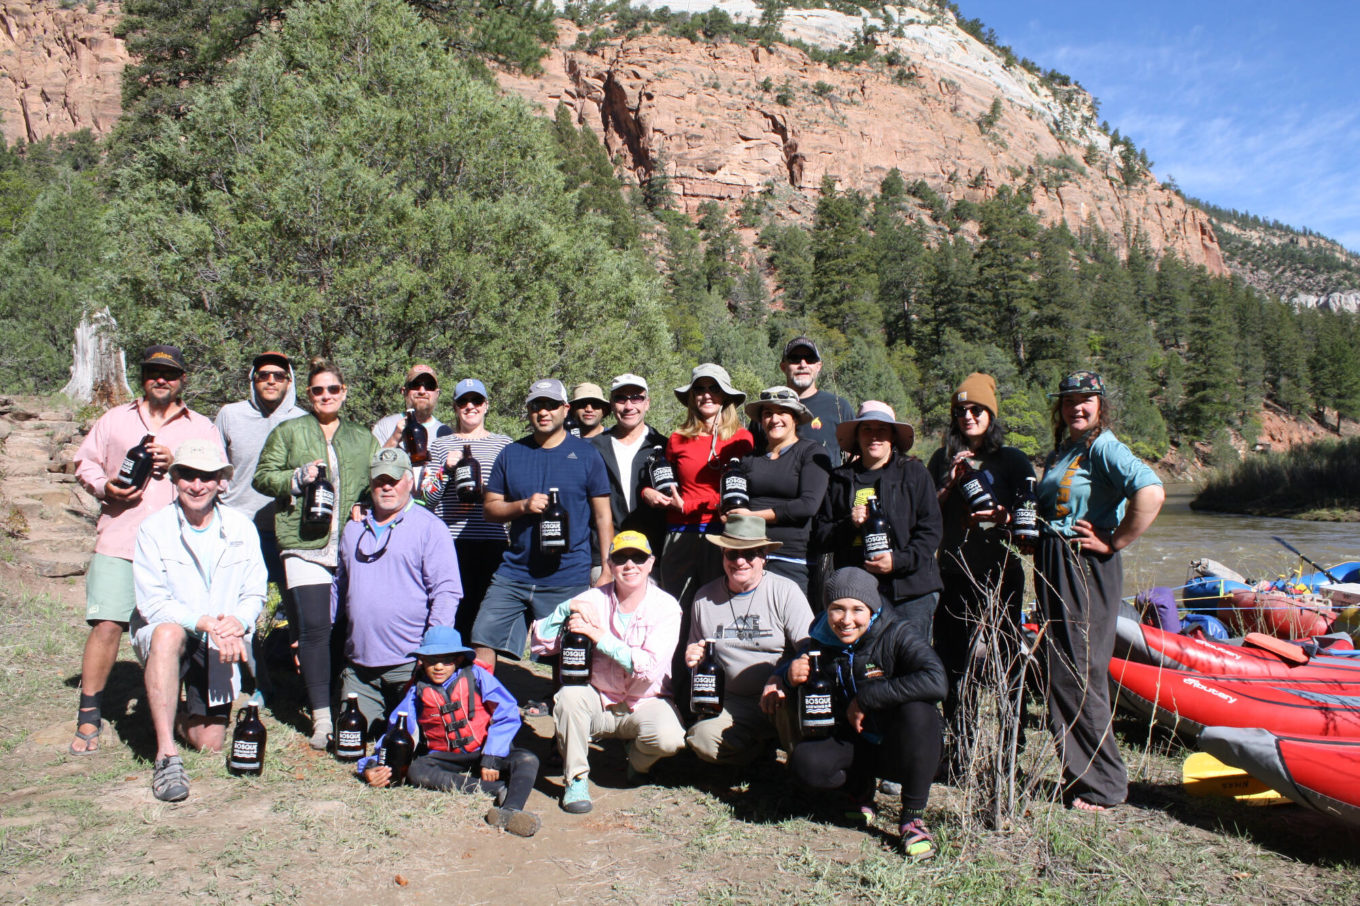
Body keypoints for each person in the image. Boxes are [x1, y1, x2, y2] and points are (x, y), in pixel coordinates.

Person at [70, 345, 222, 756]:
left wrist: (179, 464)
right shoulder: (114, 419)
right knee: (107, 624)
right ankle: (89, 714)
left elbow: (220, 480)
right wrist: (105, 487)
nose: (161, 379)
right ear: (143, 376)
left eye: (169, 374)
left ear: (182, 380)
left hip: (178, 545)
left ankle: (176, 710)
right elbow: (85, 463)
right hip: (121, 536)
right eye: (154, 372)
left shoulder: (201, 427)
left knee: (176, 630)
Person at [1034, 371, 1164, 811]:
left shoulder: (1104, 446)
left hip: (1084, 566)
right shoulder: (1067, 449)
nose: (1077, 407)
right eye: (1069, 400)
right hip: (1057, 561)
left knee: (1080, 671)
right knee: (1063, 668)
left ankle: (1103, 786)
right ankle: (1083, 774)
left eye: (1086, 399)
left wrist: (1116, 541)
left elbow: (1151, 491)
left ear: (1100, 405)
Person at [776, 567, 947, 862]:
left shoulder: (897, 632)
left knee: (920, 711)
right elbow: (799, 682)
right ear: (826, 610)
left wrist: (867, 698)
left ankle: (912, 819)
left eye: (857, 609)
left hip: (902, 745)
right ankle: (860, 790)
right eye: (837, 609)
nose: (846, 620)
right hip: (856, 742)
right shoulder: (819, 640)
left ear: (873, 609)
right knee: (807, 764)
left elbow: (936, 680)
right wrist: (788, 679)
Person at [131, 440, 267, 802]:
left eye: (206, 477)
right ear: (174, 478)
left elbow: (255, 592)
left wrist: (238, 621)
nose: (197, 485)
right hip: (175, 631)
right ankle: (166, 755)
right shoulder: (154, 528)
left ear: (220, 481)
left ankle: (168, 711)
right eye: (188, 476)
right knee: (167, 633)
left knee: (210, 742)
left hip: (218, 639)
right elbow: (152, 603)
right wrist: (203, 622)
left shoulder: (240, 527)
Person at [254, 358, 378, 749]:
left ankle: (346, 703)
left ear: (344, 393)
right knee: (313, 629)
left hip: (350, 544)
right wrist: (295, 478)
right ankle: (321, 718)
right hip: (302, 543)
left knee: (346, 626)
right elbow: (262, 476)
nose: (326, 396)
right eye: (318, 390)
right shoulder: (289, 432)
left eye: (333, 389)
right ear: (308, 394)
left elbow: (377, 480)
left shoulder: (361, 437)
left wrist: (365, 504)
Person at [926, 373, 1036, 777]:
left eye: (976, 409)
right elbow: (925, 515)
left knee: (1007, 662)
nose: (968, 416)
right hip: (953, 573)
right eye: (961, 411)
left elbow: (1030, 516)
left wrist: (1005, 516)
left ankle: (1010, 752)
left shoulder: (1012, 461)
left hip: (1001, 573)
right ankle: (959, 748)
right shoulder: (941, 460)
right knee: (952, 664)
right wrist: (949, 483)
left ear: (991, 414)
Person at [530, 531, 685, 814]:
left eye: (638, 558)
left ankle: (638, 764)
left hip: (644, 701)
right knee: (569, 697)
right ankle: (576, 780)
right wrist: (565, 609)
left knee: (669, 738)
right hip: (598, 700)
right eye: (621, 558)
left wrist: (601, 638)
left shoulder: (667, 608)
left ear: (651, 563)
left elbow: (648, 670)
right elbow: (541, 642)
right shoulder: (591, 599)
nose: (630, 565)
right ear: (610, 565)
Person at [471, 378, 614, 684]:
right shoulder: (511, 453)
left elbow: (603, 517)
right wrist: (522, 506)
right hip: (515, 571)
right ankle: (482, 707)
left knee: (569, 652)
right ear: (528, 410)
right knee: (482, 637)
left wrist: (606, 568)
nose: (544, 412)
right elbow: (490, 509)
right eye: (537, 406)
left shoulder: (586, 455)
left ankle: (563, 709)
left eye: (551, 405)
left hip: (568, 575)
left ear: (565, 409)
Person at [358, 626, 541, 837]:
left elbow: (507, 712)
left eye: (446, 660)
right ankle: (497, 788)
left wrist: (492, 756)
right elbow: (396, 732)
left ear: (459, 659)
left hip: (484, 750)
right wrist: (372, 765)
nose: (438, 667)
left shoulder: (477, 676)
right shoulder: (416, 690)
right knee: (416, 771)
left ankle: (511, 810)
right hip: (446, 757)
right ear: (421, 661)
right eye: (431, 660)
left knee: (527, 759)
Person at [333, 448, 462, 733]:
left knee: (411, 743)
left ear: (409, 481)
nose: (387, 487)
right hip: (359, 668)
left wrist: (432, 653)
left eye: (394, 480)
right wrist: (313, 636)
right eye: (380, 480)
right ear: (371, 483)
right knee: (354, 740)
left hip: (410, 665)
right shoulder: (353, 528)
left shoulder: (431, 528)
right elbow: (339, 588)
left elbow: (446, 592)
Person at [682, 515, 813, 768]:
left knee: (794, 709)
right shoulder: (703, 598)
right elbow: (697, 658)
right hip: (733, 703)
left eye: (750, 554)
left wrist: (782, 677)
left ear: (764, 556)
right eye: (732, 554)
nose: (740, 561)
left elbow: (810, 648)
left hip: (780, 696)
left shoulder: (785, 591)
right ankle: (758, 757)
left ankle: (799, 767)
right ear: (723, 555)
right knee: (702, 739)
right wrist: (693, 660)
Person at [214, 351, 307, 693]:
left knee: (297, 607)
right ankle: (252, 683)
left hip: (286, 528)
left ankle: (304, 683)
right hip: (236, 528)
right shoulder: (230, 415)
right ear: (252, 379)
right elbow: (215, 467)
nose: (270, 380)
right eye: (263, 374)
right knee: (238, 608)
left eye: (278, 375)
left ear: (289, 381)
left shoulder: (303, 419)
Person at [814, 402, 942, 639]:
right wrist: (849, 524)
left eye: (882, 429)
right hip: (856, 597)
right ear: (857, 435)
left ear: (893, 436)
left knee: (910, 658)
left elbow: (931, 530)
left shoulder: (913, 473)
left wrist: (898, 561)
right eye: (867, 429)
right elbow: (820, 536)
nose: (874, 436)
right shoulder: (840, 479)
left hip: (910, 592)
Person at [643, 363, 753, 605]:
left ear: (725, 395)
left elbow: (741, 493)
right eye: (700, 389)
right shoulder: (677, 438)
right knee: (675, 607)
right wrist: (647, 492)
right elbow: (665, 481)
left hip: (721, 535)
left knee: (719, 607)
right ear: (692, 397)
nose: (706, 395)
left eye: (714, 388)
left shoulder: (741, 438)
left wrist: (689, 505)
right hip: (679, 534)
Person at [420, 378, 512, 640]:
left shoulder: (504, 445)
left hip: (492, 539)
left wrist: (487, 491)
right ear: (455, 407)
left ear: (486, 405)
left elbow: (514, 494)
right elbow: (426, 498)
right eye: (463, 402)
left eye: (476, 401)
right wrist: (446, 470)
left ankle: (481, 666)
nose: (470, 406)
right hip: (449, 542)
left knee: (485, 620)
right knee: (453, 613)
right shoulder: (440, 445)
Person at [728, 386, 831, 592]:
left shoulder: (811, 453)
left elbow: (808, 505)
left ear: (795, 418)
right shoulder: (749, 459)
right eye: (768, 413)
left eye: (782, 412)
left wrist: (752, 517)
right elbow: (736, 498)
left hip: (791, 559)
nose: (774, 419)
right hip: (747, 556)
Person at [589, 374, 669, 569]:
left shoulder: (664, 446)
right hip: (606, 558)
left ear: (647, 403)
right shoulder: (593, 448)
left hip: (653, 557)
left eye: (636, 398)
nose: (628, 406)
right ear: (611, 404)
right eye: (620, 398)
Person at [751, 337, 855, 464]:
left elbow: (854, 459)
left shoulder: (839, 407)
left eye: (810, 359)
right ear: (783, 367)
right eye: (795, 359)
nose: (803, 364)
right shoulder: (766, 410)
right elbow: (753, 460)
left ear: (818, 366)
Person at [372, 364, 453, 490]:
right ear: (404, 392)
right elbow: (372, 469)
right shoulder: (385, 426)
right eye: (415, 385)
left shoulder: (446, 433)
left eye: (429, 386)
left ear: (437, 393)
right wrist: (394, 438)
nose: (422, 391)